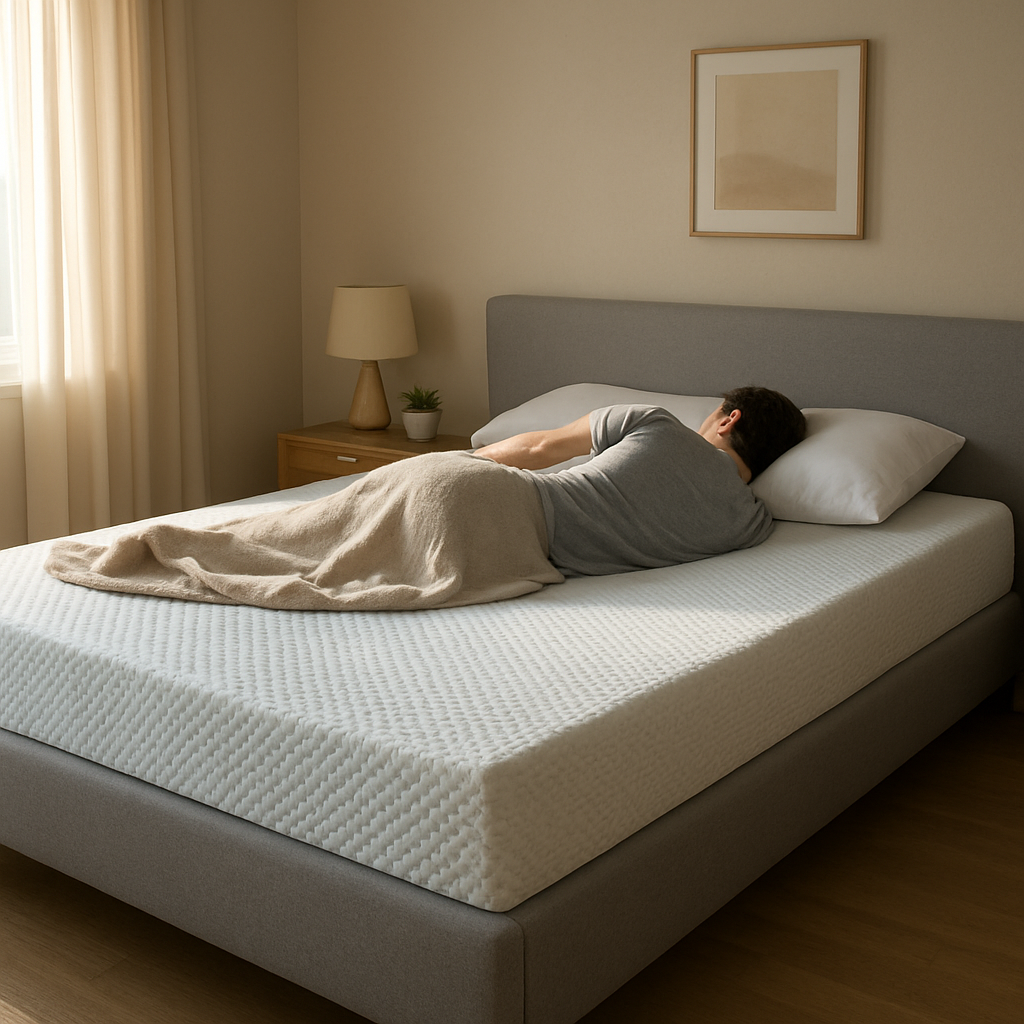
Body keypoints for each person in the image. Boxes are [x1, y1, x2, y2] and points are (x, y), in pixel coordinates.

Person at [474, 386, 806, 577]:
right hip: (519, 560)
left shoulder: (654, 422)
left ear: (729, 420)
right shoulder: (751, 525)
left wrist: (462, 460)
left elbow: (539, 448)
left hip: (500, 504)